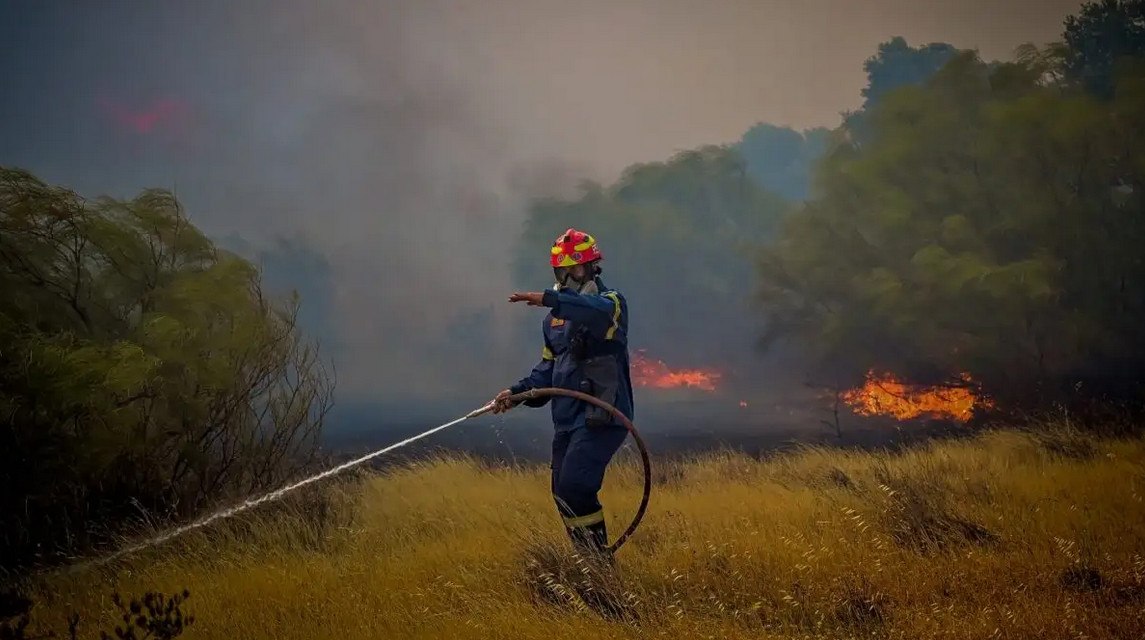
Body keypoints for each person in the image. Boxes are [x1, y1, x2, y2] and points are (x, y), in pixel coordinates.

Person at [491, 227, 635, 560]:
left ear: (592, 268)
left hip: (602, 415)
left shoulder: (610, 305)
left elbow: (590, 309)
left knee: (576, 485)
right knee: (562, 493)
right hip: (567, 419)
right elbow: (546, 371)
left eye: (577, 270)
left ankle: (599, 563)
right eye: (562, 271)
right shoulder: (552, 324)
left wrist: (551, 299)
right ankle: (588, 561)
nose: (569, 278)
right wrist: (516, 393)